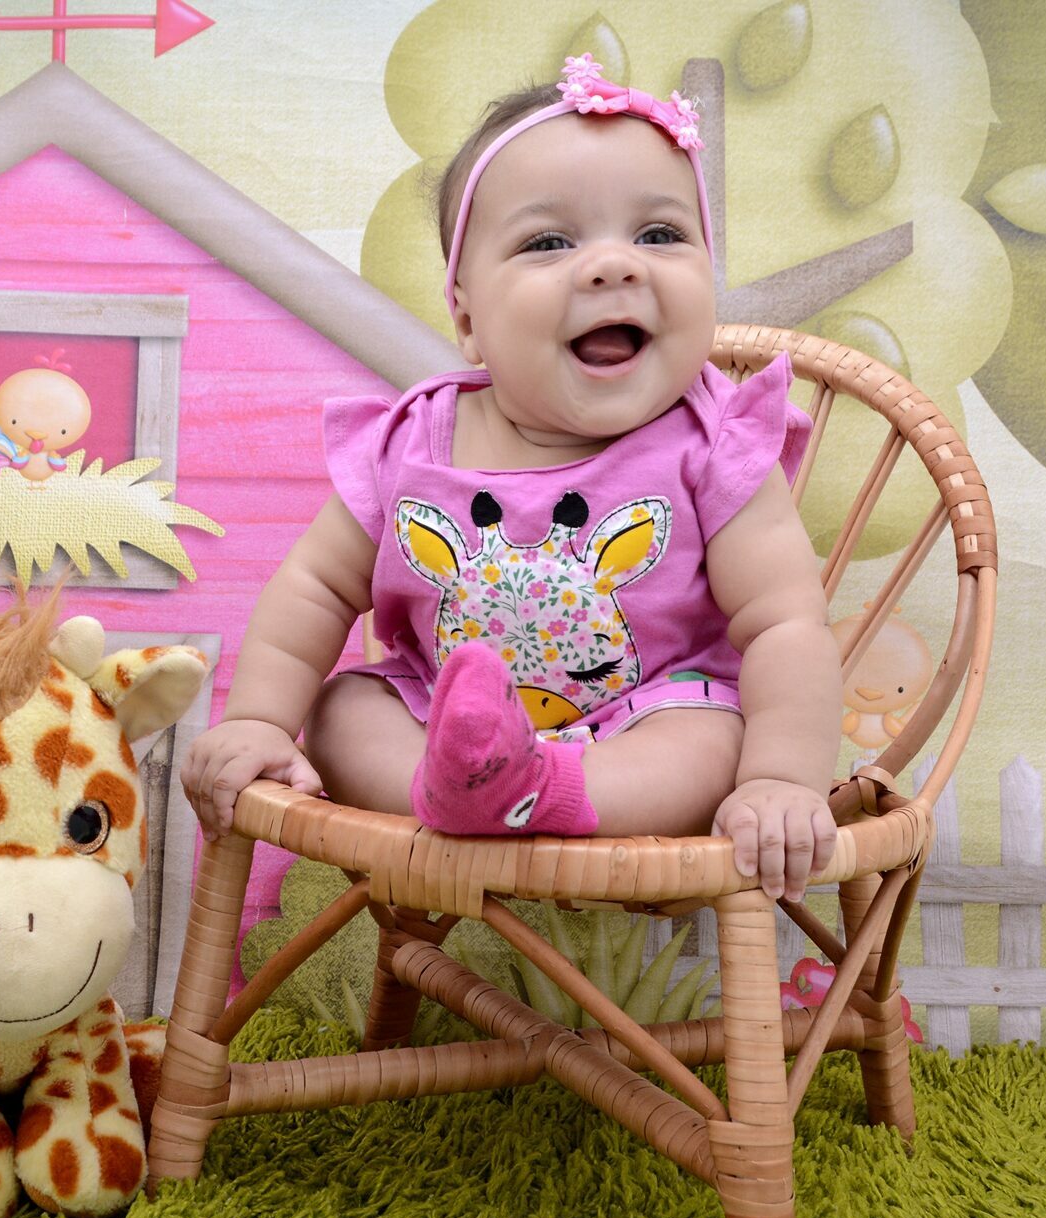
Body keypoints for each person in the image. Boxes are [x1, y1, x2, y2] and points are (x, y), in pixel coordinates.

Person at [182, 55, 841, 901]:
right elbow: (314, 586)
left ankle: (538, 791)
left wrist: (780, 777)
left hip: (642, 718)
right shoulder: (413, 443)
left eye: (660, 235)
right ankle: (461, 784)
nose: (614, 265)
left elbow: (785, 621)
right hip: (441, 719)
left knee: (713, 741)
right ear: (467, 317)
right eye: (548, 243)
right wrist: (259, 721)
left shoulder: (714, 442)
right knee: (343, 713)